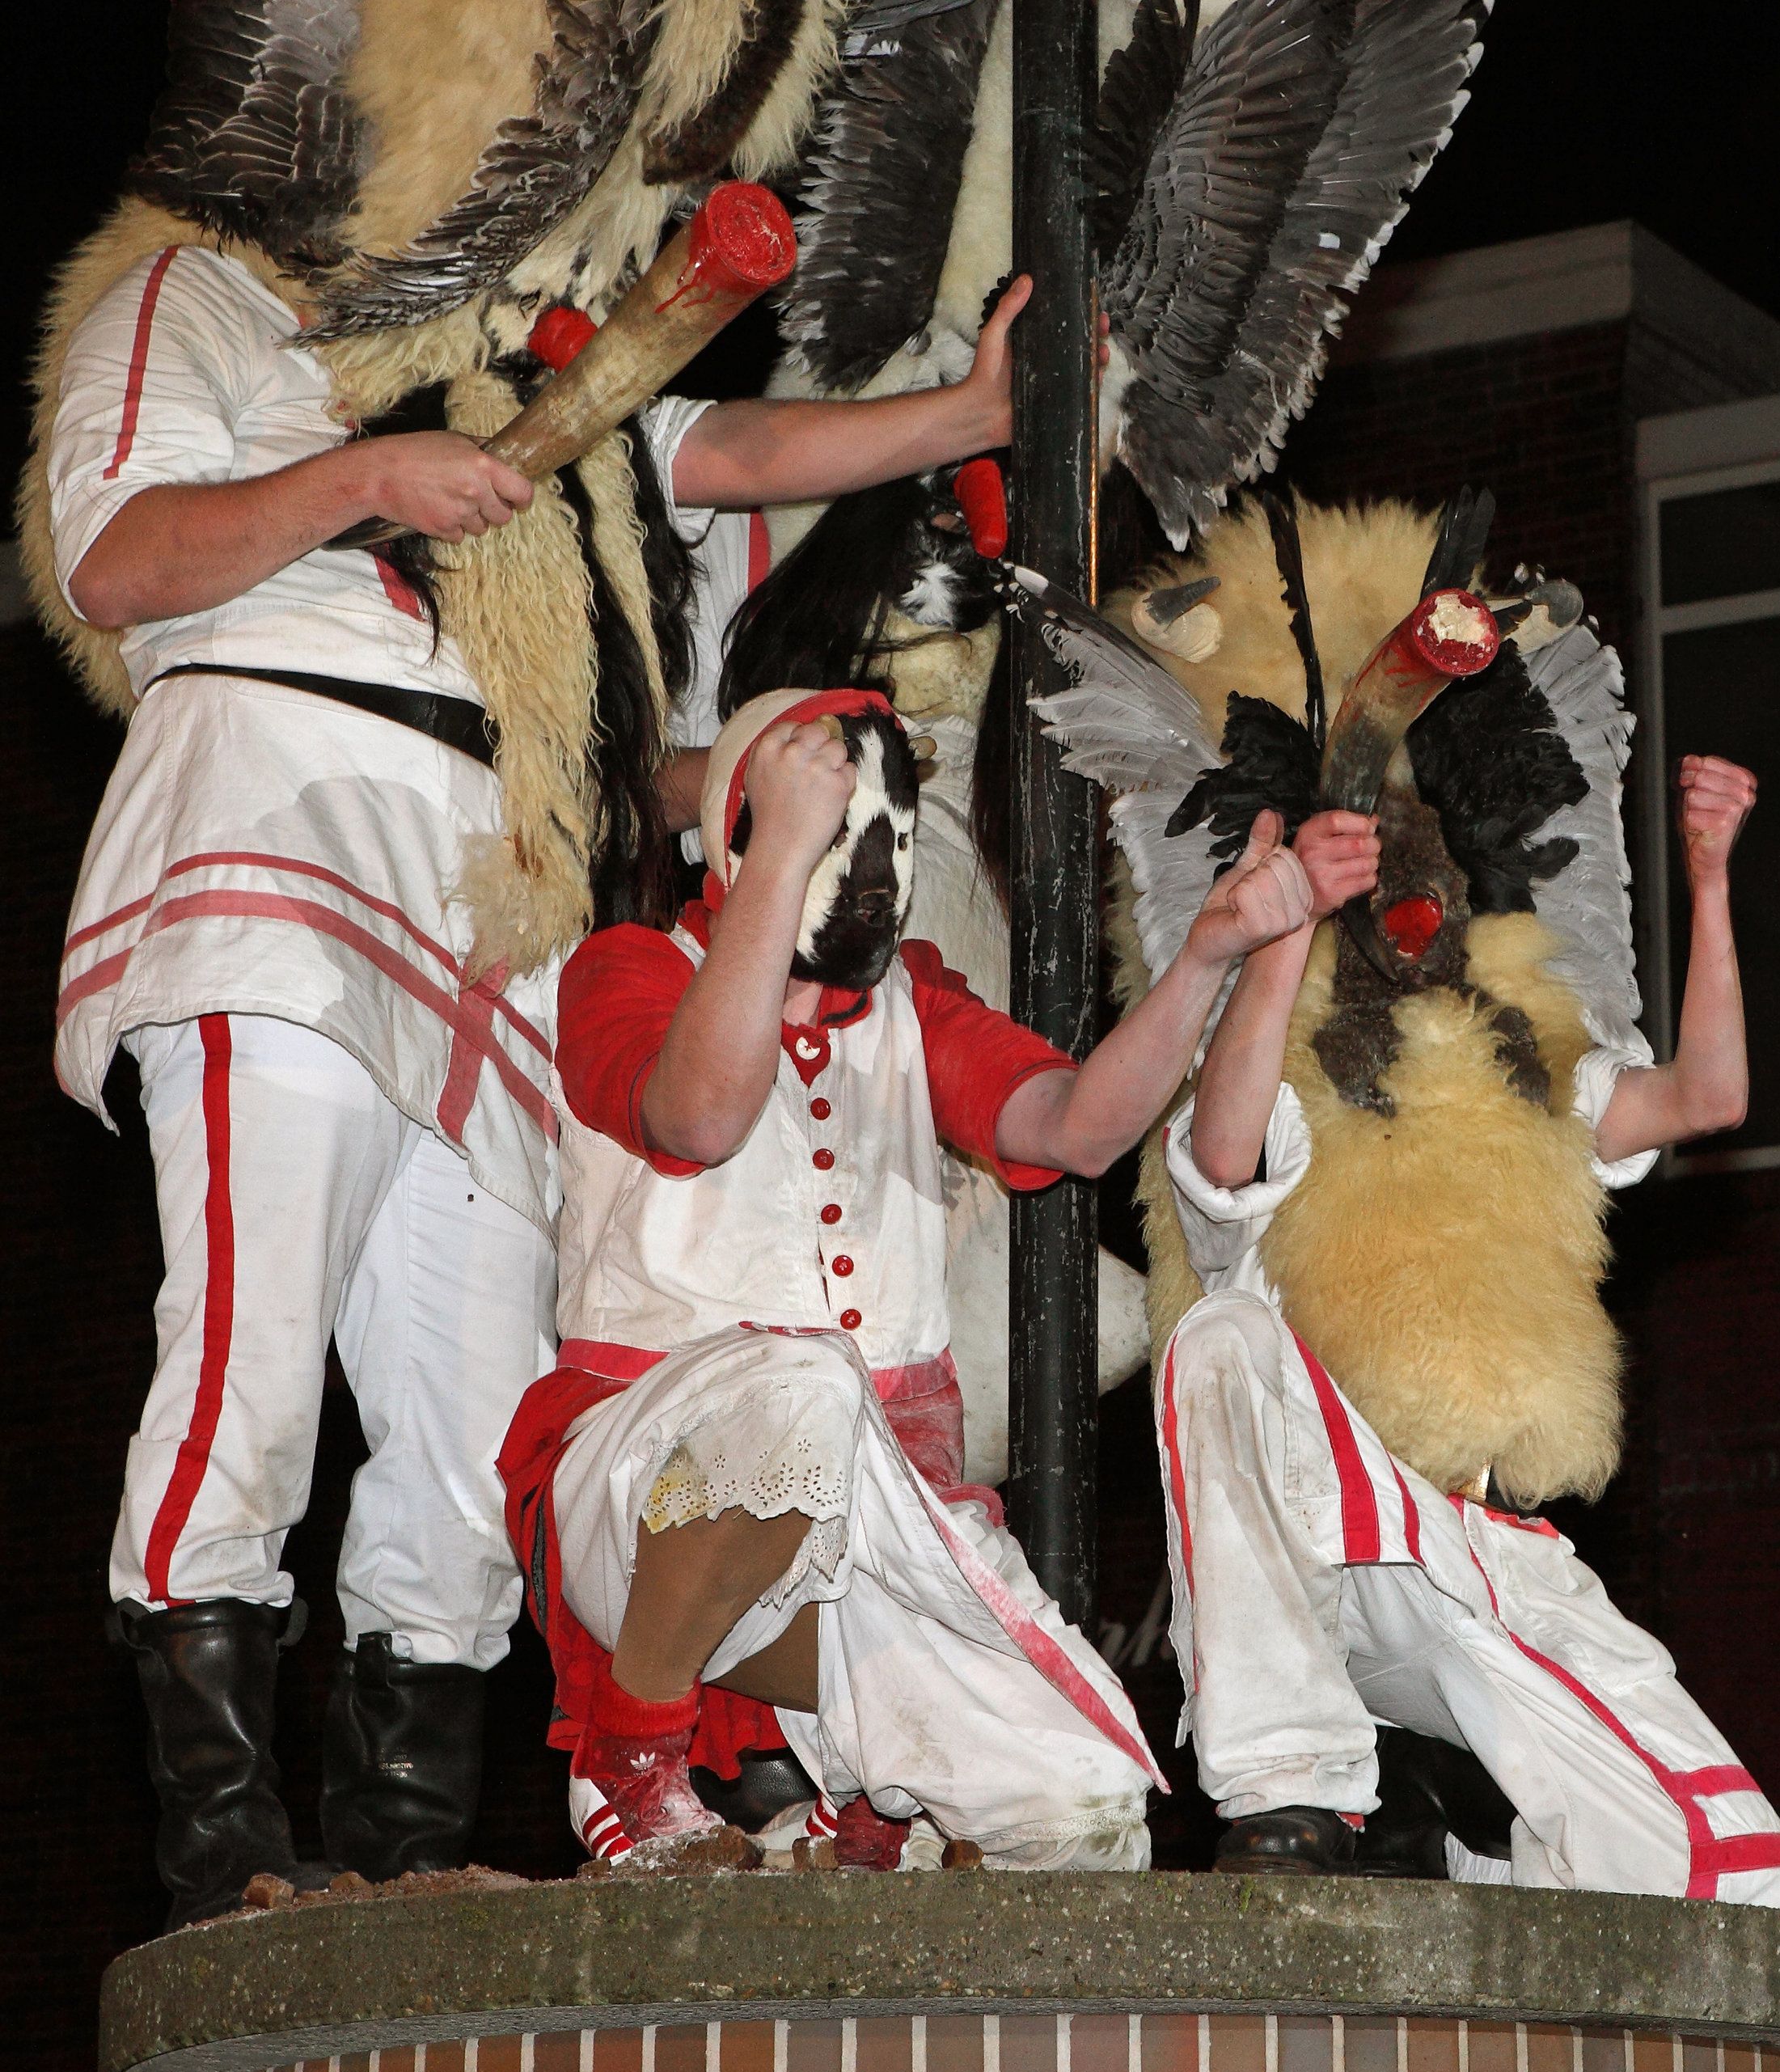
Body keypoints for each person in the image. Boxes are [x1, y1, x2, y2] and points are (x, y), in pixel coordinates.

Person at [48, 235, 1030, 1927]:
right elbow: (111, 563)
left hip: (509, 908)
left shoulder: (517, 332)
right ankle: (227, 1847)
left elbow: (711, 446)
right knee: (250, 1358)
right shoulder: (205, 294)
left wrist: (969, 416)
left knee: (469, 1431)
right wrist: (371, 478)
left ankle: (405, 1860)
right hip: (280, 830)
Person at [501, 692, 1334, 1870]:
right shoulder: (627, 968)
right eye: (835, 832)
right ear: (740, 831)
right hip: (640, 1499)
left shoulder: (913, 1004)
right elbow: (698, 1117)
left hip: (874, 1525)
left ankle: (859, 1804)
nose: (874, 875)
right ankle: (630, 1754)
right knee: (803, 1384)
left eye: (888, 837)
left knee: (1086, 1810)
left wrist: (1207, 957)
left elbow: (1080, 1129)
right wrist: (779, 858)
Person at [1156, 758, 1780, 1899]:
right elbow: (1221, 1154)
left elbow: (1709, 1098)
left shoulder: (1532, 1081)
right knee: (1223, 1336)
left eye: (1429, 880)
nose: (1411, 911)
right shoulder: (1284, 1076)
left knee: (1734, 1873)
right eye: (1371, 889)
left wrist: (1707, 881)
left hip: (1483, 1547)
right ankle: (1288, 1785)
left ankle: (1452, 1788)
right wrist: (1286, 930)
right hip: (1322, 1528)